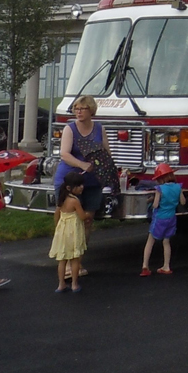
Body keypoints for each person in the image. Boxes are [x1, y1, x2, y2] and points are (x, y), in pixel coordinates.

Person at [56, 94, 108, 276]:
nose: (78, 112)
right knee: (70, 222)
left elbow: (105, 152)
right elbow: (65, 154)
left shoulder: (99, 129)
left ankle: (78, 263)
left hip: (92, 182)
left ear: (91, 111)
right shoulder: (70, 129)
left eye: (82, 108)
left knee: (86, 221)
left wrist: (110, 170)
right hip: (70, 180)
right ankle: (68, 264)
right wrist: (83, 165)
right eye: (76, 109)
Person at [141, 163, 184, 276]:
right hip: (171, 218)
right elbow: (183, 202)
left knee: (150, 241)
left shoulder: (160, 189)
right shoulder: (178, 187)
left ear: (160, 178)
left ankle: (145, 266)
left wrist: (152, 200)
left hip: (159, 218)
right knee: (166, 242)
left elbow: (155, 205)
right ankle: (166, 266)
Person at [50, 172, 90, 293]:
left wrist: (58, 226)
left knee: (62, 260)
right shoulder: (75, 201)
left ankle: (61, 284)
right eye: (78, 185)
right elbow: (82, 216)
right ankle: (74, 284)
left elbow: (56, 214)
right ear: (69, 187)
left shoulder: (62, 199)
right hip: (74, 232)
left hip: (63, 231)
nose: (81, 187)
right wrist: (88, 214)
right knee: (74, 259)